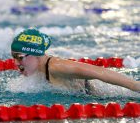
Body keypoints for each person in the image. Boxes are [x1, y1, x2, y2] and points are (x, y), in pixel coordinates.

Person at [11, 28, 140, 94]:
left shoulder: (56, 67)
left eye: (20, 57)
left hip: (94, 97)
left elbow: (100, 72)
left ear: (36, 55)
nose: (16, 63)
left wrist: (134, 86)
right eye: (14, 57)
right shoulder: (38, 71)